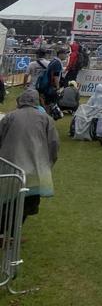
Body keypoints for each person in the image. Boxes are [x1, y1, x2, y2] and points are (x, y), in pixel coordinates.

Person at [0, 89, 59, 233]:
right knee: (26, 203)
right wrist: (49, 162)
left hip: (10, 168)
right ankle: (12, 235)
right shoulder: (46, 119)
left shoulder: (10, 116)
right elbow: (54, 144)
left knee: (7, 202)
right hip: (35, 169)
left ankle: (5, 234)